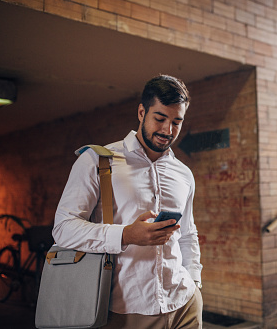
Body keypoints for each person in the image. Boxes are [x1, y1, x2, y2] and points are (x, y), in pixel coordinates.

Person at [53, 74, 203, 328]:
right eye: (160, 118)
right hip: (126, 309)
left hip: (185, 303)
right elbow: (63, 228)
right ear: (141, 112)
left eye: (177, 121)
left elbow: (187, 233)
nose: (168, 130)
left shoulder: (183, 173)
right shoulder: (98, 161)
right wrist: (126, 235)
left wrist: (195, 283)